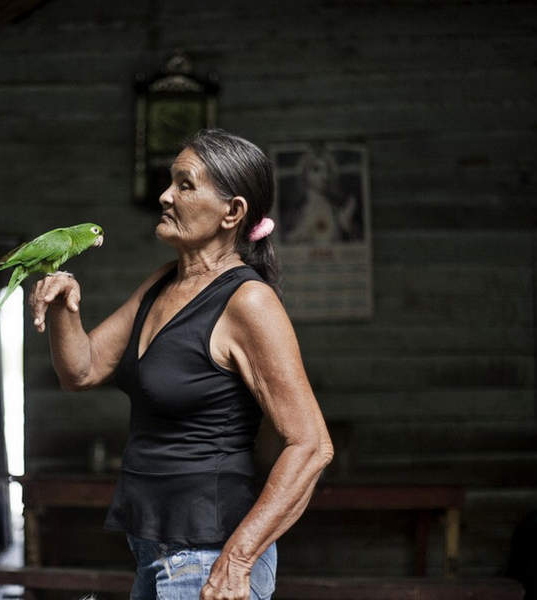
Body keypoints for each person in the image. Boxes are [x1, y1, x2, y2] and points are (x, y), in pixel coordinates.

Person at [28, 129, 334, 600]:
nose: (165, 195)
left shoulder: (248, 301)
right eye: (170, 182)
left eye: (185, 184)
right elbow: (81, 371)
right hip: (155, 550)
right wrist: (66, 304)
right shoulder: (162, 284)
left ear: (232, 212)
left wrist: (238, 560)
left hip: (209, 556)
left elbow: (311, 446)